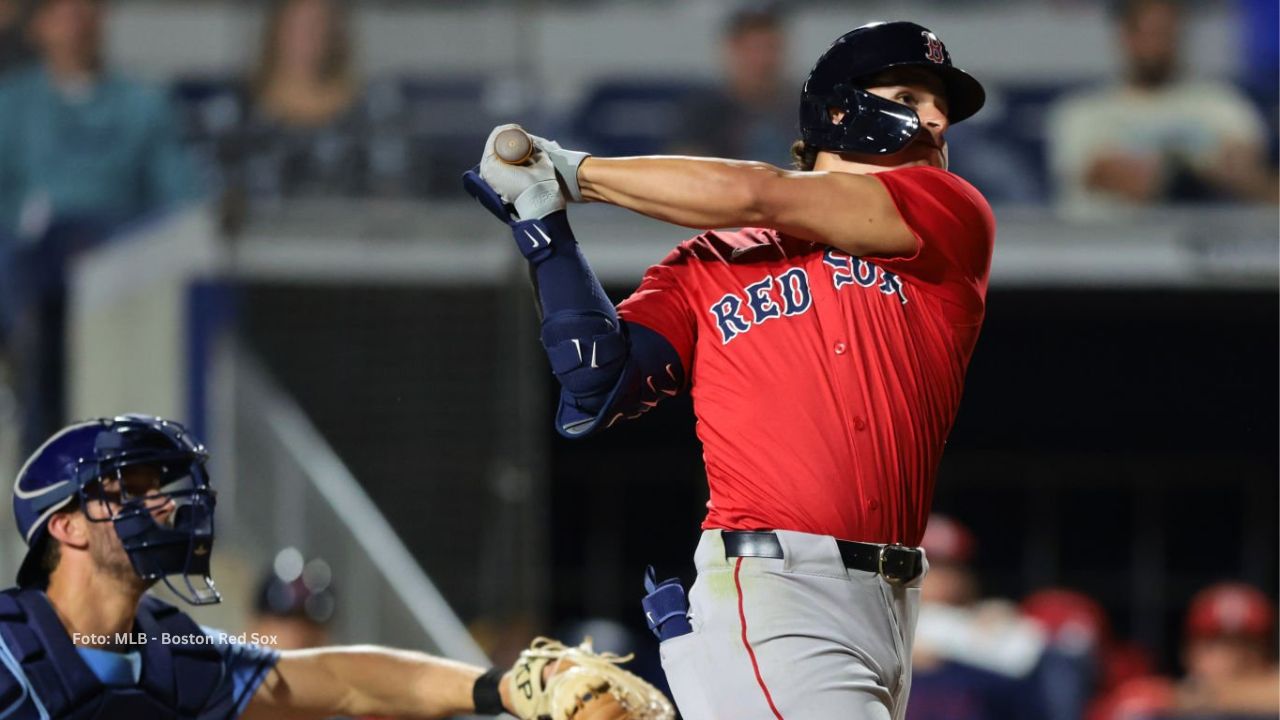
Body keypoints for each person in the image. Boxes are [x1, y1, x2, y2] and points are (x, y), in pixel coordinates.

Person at [470, 19, 996, 720]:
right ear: (841, 111)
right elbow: (598, 377)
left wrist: (575, 173)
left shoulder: (949, 217)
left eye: (944, 109)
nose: (936, 118)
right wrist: (545, 234)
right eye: (910, 94)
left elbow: (764, 195)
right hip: (776, 587)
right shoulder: (707, 265)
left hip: (894, 601)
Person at [0, 414, 667, 719]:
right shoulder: (9, 653)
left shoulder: (176, 656)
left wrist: (504, 689)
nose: (164, 506)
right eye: (132, 489)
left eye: (160, 487)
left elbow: (346, 680)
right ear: (64, 526)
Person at [0, 0, 201, 456]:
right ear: (41, 27)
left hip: (115, 252)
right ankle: (33, 398)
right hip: (30, 252)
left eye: (87, 11)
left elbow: (178, 197)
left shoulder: (143, 104)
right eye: (64, 13)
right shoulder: (11, 103)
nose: (78, 25)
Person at [1047, 0, 1275, 217]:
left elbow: (1248, 172)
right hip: (1110, 249)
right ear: (1124, 36)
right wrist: (1192, 165)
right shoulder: (1083, 112)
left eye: (1166, 33)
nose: (1156, 46)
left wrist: (1229, 171)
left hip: (1208, 246)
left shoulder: (1220, 103)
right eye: (1148, 33)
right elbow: (1114, 178)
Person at [218, 0, 404, 231]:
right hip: (257, 252)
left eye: (318, 25)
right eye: (295, 26)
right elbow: (215, 197)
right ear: (275, 28)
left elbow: (391, 192)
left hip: (350, 250)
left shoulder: (374, 105)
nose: (306, 37)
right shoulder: (234, 110)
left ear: (336, 32)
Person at [669, 3, 795, 167]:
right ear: (732, 50)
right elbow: (684, 167)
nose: (763, 60)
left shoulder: (804, 109)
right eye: (753, 49)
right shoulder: (703, 113)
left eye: (770, 47)